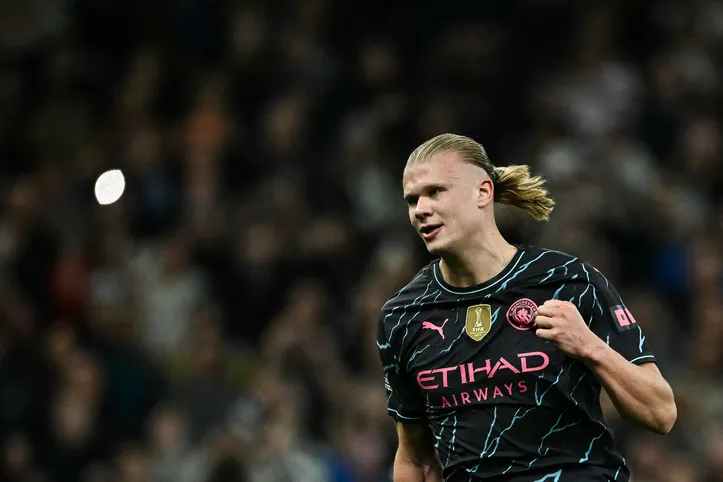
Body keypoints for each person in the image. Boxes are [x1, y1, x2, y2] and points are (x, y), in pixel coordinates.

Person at [376, 133, 677, 482]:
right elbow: (416, 461)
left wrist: (588, 346)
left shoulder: (568, 281)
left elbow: (660, 413)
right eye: (412, 200)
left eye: (435, 192)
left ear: (483, 192)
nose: (421, 209)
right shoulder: (402, 316)